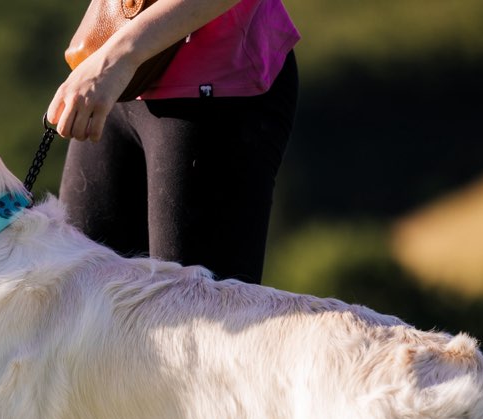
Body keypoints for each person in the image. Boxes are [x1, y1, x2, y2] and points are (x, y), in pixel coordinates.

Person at [46, 0, 301, 419]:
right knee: (72, 353)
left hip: (214, 81)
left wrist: (119, 54)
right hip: (123, 69)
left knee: (221, 368)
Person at [46, 0, 300, 285]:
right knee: (79, 298)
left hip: (213, 88)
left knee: (199, 318)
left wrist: (117, 58)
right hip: (116, 79)